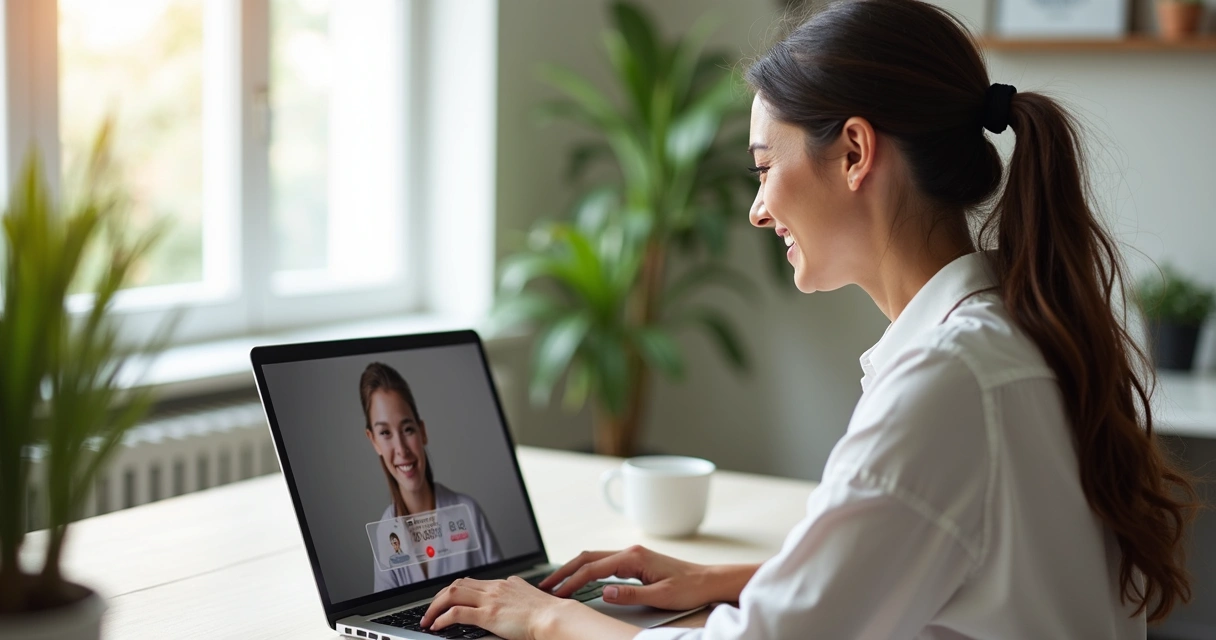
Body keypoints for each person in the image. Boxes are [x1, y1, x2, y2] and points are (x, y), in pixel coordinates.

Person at [418, 0, 1197, 637]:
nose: (758, 210)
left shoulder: (948, 381)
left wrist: (543, 618)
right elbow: (972, 574)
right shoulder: (1020, 335)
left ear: (856, 152)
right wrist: (742, 578)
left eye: (765, 167)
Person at [361, 362, 503, 593]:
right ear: (373, 440)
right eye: (385, 433)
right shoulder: (385, 531)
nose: (401, 449)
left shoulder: (468, 511)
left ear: (422, 431)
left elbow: (505, 595)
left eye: (407, 429)